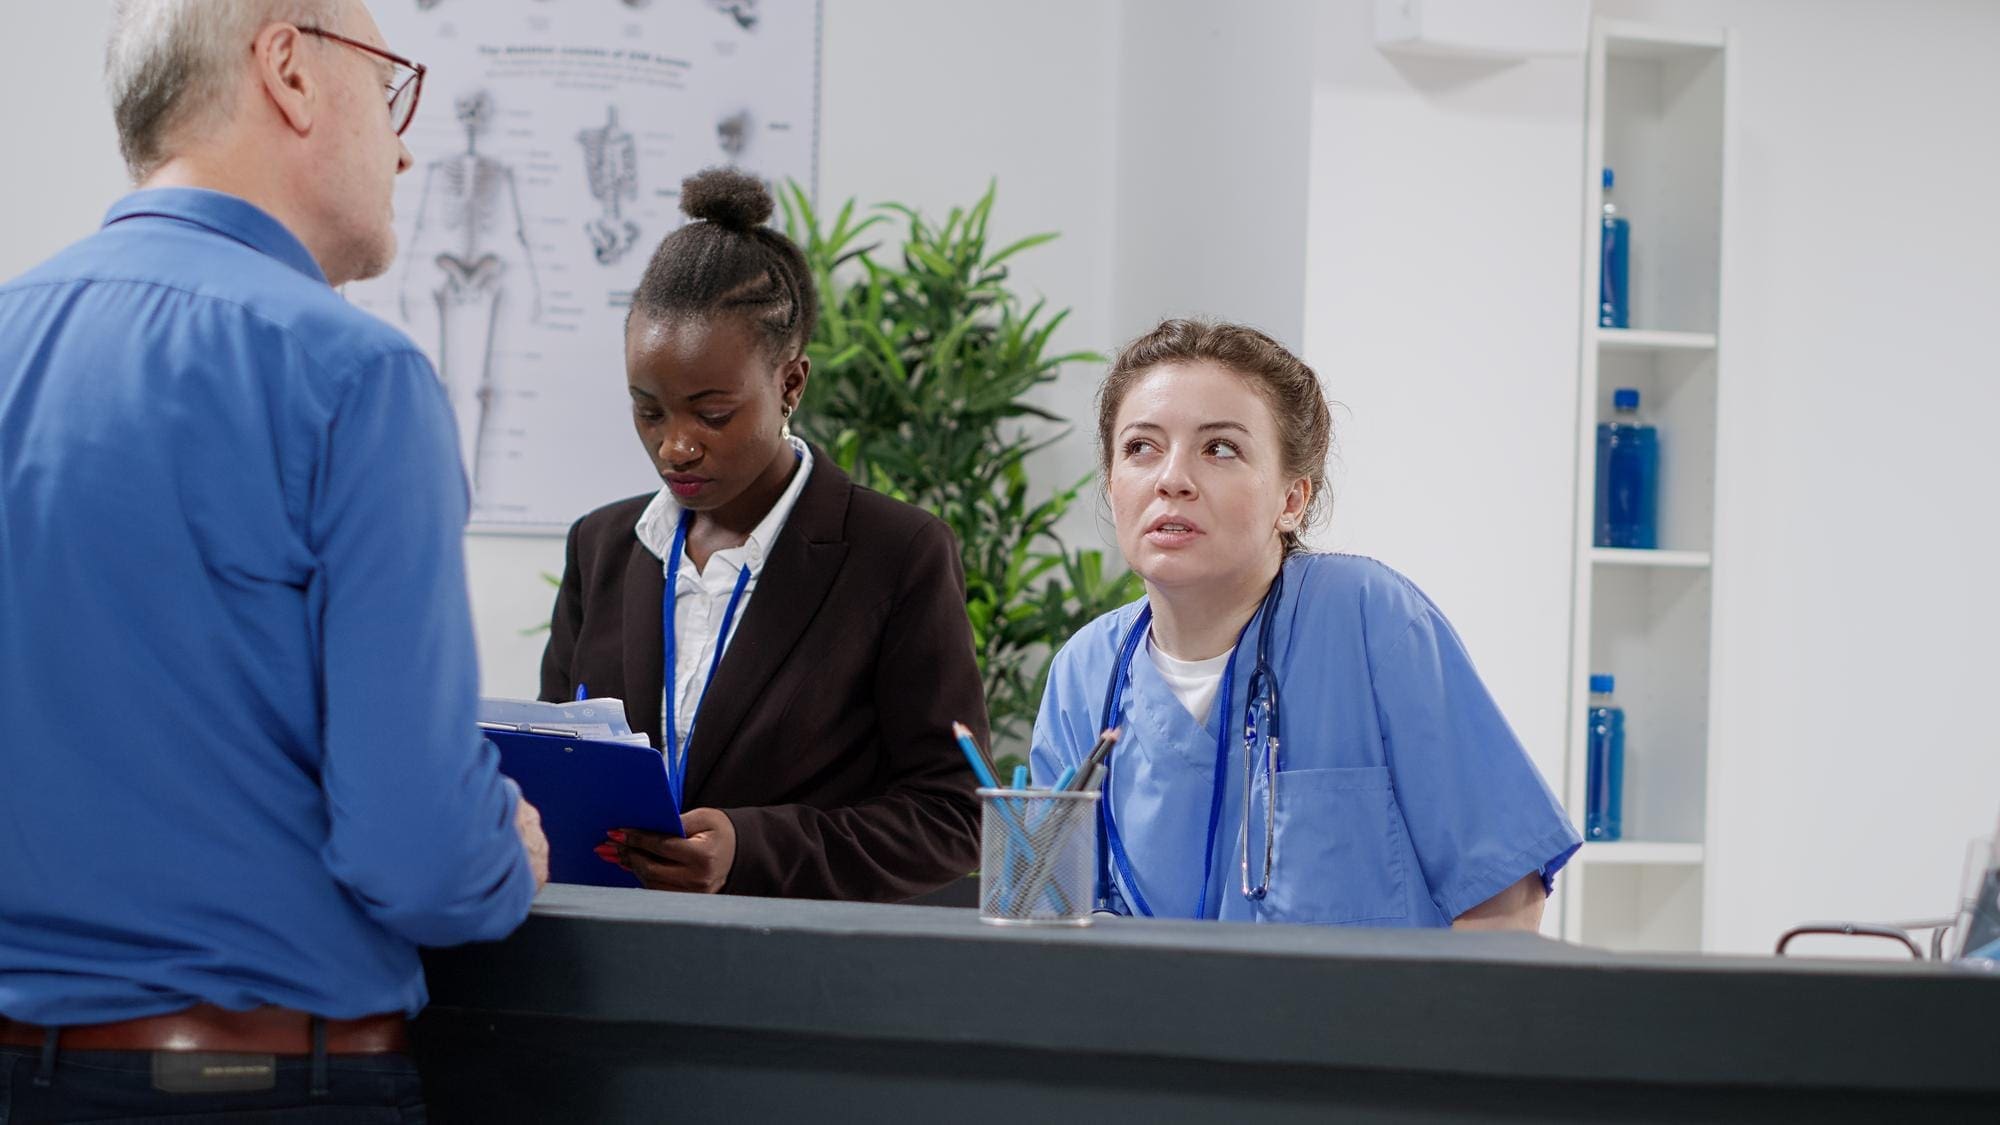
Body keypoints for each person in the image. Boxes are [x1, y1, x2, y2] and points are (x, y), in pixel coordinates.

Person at [0, 1, 548, 1119]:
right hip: (260, 1090)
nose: (405, 144)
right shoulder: (353, 378)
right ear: (290, 70)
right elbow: (422, 861)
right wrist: (507, 851)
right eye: (388, 86)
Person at [1030, 319, 1580, 928]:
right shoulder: (1086, 672)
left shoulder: (1367, 619)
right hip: (1142, 1023)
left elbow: (1502, 895)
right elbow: (1047, 914)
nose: (1172, 479)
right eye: (1141, 448)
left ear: (1292, 500)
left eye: (1220, 448)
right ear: (1111, 482)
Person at [540, 168, 983, 903]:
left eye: (711, 413)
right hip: (610, 969)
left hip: (797, 988)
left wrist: (754, 847)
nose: (674, 445)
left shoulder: (896, 555)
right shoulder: (602, 547)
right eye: (648, 411)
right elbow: (557, 763)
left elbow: (952, 816)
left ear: (791, 383)